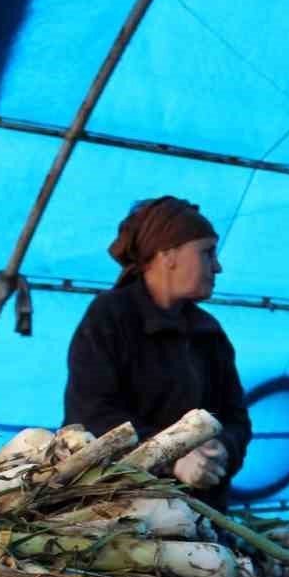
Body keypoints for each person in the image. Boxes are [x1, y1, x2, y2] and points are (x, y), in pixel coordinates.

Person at [63, 196, 251, 507]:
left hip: (196, 514)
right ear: (168, 254)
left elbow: (235, 417)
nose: (217, 266)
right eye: (207, 252)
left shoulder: (209, 332)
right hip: (116, 510)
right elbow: (91, 416)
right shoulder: (110, 318)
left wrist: (222, 448)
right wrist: (170, 456)